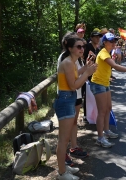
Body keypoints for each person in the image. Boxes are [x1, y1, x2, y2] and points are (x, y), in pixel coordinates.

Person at [54, 33, 97, 179]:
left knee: (64, 138)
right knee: (63, 139)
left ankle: (63, 167)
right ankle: (61, 173)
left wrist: (86, 67)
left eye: (83, 46)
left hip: (69, 99)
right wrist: (88, 73)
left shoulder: (71, 62)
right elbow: (73, 85)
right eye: (79, 46)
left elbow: (75, 76)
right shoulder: (66, 62)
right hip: (66, 99)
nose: (82, 49)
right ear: (70, 47)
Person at [90, 33, 126, 148]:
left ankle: (107, 131)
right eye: (111, 41)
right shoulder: (104, 53)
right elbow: (116, 66)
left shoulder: (108, 52)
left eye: (114, 41)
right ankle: (100, 138)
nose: (114, 43)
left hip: (105, 83)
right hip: (98, 84)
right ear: (104, 42)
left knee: (108, 108)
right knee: (102, 111)